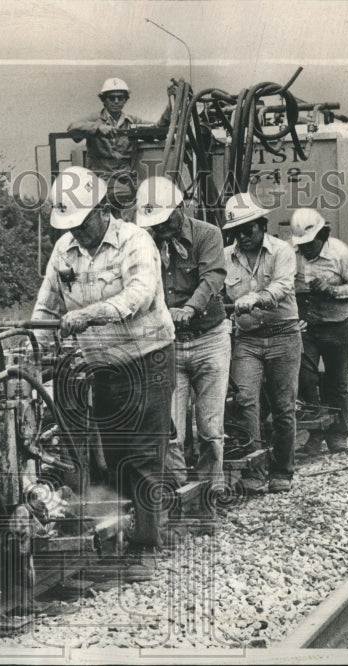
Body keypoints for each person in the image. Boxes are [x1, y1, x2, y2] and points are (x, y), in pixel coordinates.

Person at [32, 166, 176, 568]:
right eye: (69, 226)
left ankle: (146, 547)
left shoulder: (135, 241)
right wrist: (31, 357)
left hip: (148, 358)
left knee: (143, 454)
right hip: (101, 365)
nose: (75, 232)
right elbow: (46, 307)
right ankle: (113, 537)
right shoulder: (64, 250)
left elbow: (140, 296)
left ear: (100, 209)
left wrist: (90, 315)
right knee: (110, 455)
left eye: (80, 223)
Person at [135, 176, 229, 493]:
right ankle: (179, 492)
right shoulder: (145, 244)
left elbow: (213, 276)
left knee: (210, 426)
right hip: (168, 343)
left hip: (209, 339)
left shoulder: (208, 235)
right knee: (170, 426)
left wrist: (189, 308)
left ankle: (210, 490)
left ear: (179, 209)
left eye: (163, 221)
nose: (159, 229)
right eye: (154, 224)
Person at [221, 193, 301, 494]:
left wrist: (258, 297)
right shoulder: (225, 256)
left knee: (283, 406)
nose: (243, 237)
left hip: (283, 335)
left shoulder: (282, 251)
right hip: (248, 340)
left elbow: (282, 284)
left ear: (262, 225)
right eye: (236, 232)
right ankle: (253, 469)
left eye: (248, 230)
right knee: (245, 402)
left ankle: (282, 470)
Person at [290, 209, 348, 455]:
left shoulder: (340, 253)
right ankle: (315, 434)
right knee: (305, 379)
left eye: (311, 243)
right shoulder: (290, 255)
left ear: (323, 235)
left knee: (336, 383)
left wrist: (333, 291)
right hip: (306, 327)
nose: (307, 248)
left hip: (337, 326)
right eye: (302, 244)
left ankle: (338, 436)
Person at [67, 78, 173, 215]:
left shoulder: (132, 122)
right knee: (127, 204)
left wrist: (170, 106)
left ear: (125, 100)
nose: (116, 101)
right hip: (100, 180)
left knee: (153, 200)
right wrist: (98, 128)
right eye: (112, 98)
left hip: (126, 180)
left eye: (121, 98)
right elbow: (72, 128)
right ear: (104, 100)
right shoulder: (95, 119)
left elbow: (157, 130)